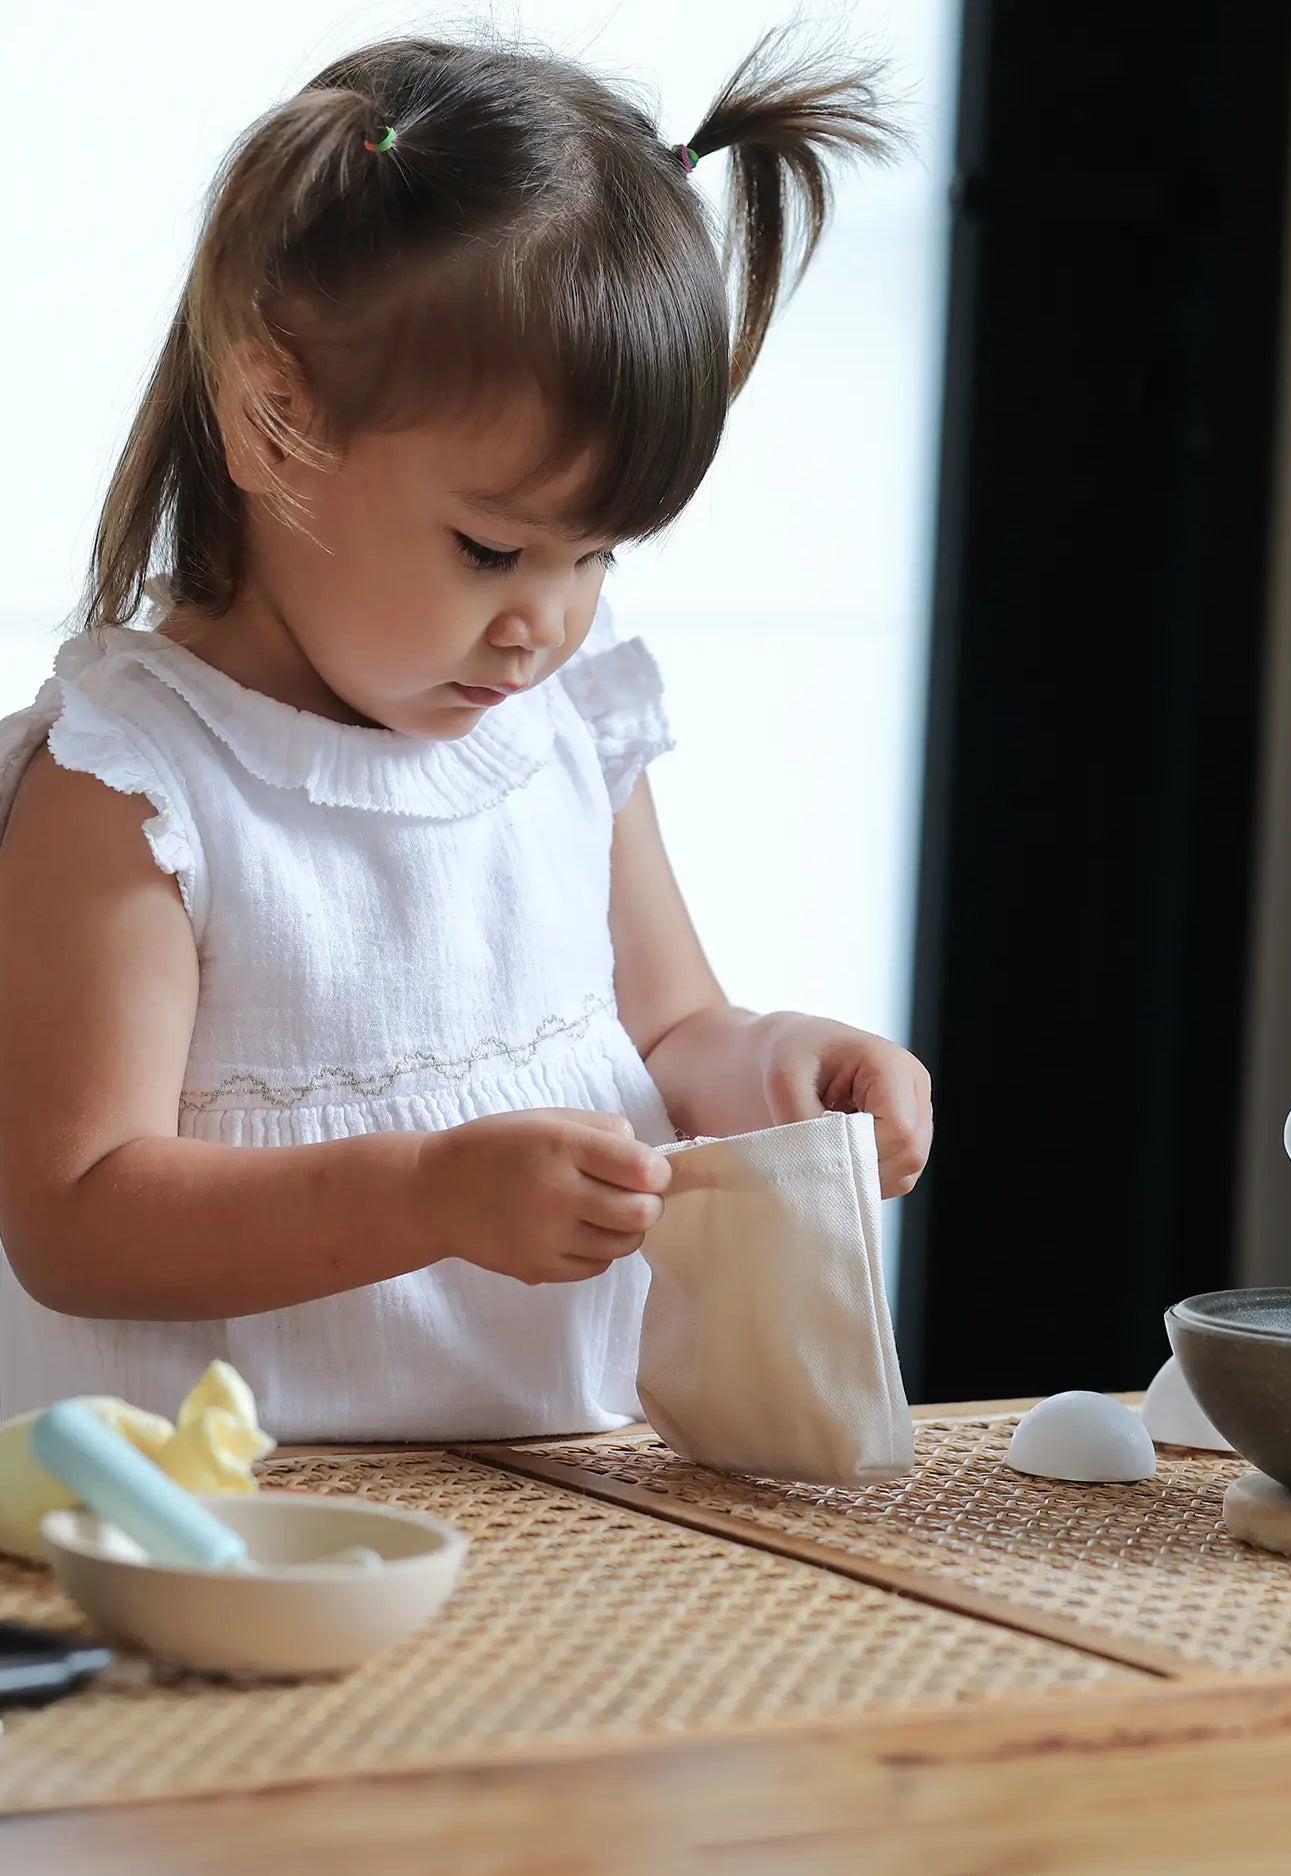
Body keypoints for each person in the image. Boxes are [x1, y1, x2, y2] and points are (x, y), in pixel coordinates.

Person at [0, 29, 932, 1439]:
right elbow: (79, 1217)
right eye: (493, 551)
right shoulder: (136, 787)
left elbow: (670, 1024)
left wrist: (773, 1064)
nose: (544, 624)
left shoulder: (558, 719)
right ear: (273, 423)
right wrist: (427, 1197)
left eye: (598, 556)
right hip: (226, 1536)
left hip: (572, 1502)